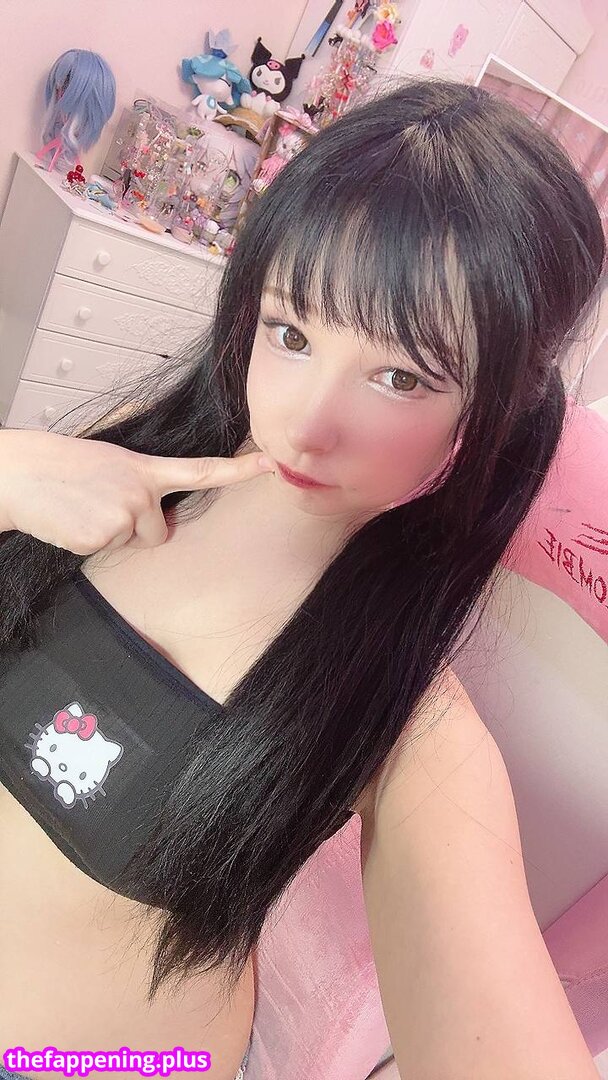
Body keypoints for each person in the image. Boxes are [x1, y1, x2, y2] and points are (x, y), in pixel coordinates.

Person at [0, 77, 605, 1080]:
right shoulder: (121, 466)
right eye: (291, 332)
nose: (305, 423)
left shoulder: (407, 727)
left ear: (490, 411)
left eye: (400, 377)